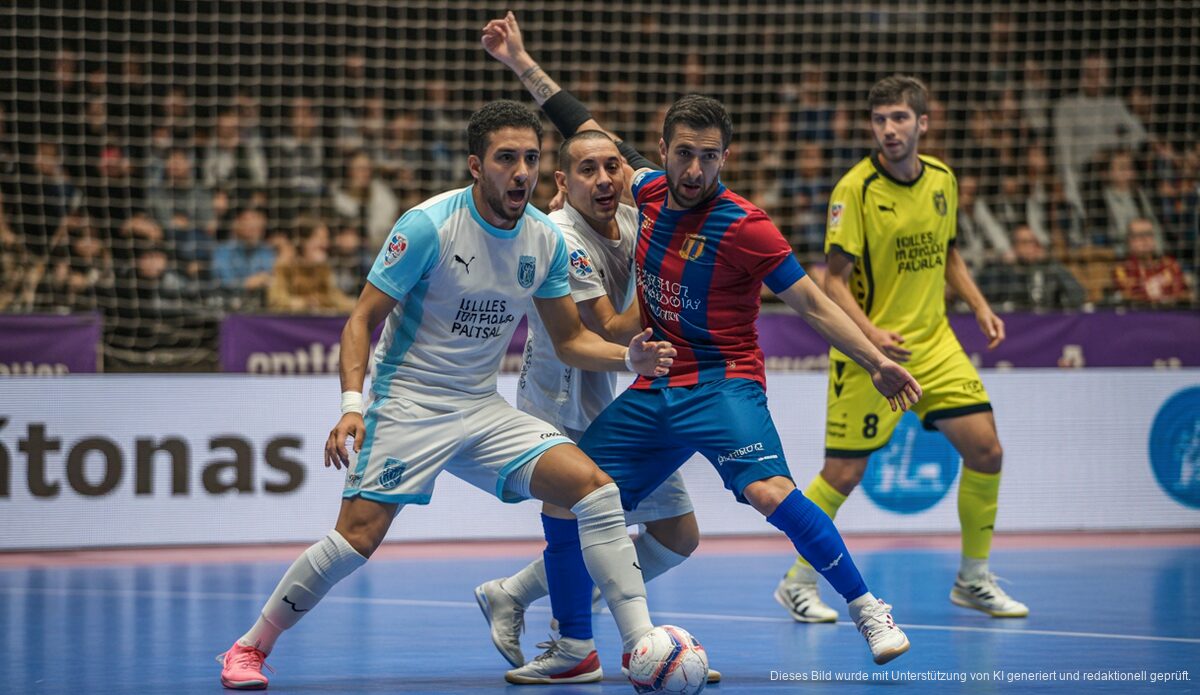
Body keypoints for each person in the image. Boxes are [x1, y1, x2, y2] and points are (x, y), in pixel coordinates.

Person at [481, 12, 922, 681]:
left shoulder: (748, 226)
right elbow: (581, 127)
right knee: (566, 495)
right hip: (655, 384)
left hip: (722, 384)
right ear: (662, 150)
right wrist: (519, 62)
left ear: (725, 157)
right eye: (683, 152)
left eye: (708, 156)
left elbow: (810, 302)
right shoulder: (649, 189)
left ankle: (867, 608)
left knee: (773, 492)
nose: (694, 168)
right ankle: (573, 648)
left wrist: (875, 358)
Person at [216, 100, 679, 690]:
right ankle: (250, 647)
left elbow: (570, 340)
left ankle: (641, 644)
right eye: (506, 159)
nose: (521, 172)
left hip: (481, 406)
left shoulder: (543, 239)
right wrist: (352, 407)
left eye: (531, 159)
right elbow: (360, 321)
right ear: (475, 166)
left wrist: (627, 358)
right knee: (356, 539)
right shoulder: (428, 225)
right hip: (408, 401)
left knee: (594, 489)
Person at [774, 75, 1031, 625]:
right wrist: (870, 335)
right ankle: (796, 582)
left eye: (899, 118)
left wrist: (979, 305)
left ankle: (973, 579)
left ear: (923, 123)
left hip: (935, 343)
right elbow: (832, 280)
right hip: (869, 352)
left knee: (987, 452)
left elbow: (949, 253)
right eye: (880, 120)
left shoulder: (942, 178)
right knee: (841, 475)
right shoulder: (856, 189)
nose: (889, 129)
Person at [473, 129, 720, 683]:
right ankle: (579, 643)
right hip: (564, 396)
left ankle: (513, 594)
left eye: (614, 166)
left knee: (678, 535)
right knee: (577, 519)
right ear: (562, 181)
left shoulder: (634, 221)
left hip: (628, 390)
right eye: (587, 170)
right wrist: (671, 270)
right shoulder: (560, 234)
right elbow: (607, 328)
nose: (604, 178)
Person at [979, 223, 1087, 310]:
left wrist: (1052, 263)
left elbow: (1077, 296)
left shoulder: (1049, 267)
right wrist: (1002, 264)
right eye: (1025, 242)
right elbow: (987, 298)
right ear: (1015, 246)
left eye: (1034, 242)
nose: (1031, 247)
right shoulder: (1002, 269)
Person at [1112, 217, 1192, 306]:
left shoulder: (1170, 264)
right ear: (1129, 240)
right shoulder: (1123, 269)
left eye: (1148, 234)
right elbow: (1126, 298)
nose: (1144, 239)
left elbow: (1186, 294)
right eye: (1139, 235)